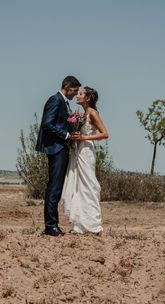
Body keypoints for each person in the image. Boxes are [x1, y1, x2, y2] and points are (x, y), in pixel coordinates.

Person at [36, 75, 81, 237]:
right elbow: (46, 124)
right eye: (75, 91)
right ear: (67, 87)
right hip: (56, 148)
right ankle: (50, 226)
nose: (76, 94)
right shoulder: (55, 100)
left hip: (61, 148)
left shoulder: (64, 103)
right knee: (54, 187)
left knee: (57, 187)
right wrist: (67, 135)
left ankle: (52, 224)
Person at [62, 86, 109, 235]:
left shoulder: (93, 113)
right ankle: (80, 225)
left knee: (88, 185)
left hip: (87, 151)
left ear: (88, 98)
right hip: (77, 151)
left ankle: (94, 225)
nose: (77, 95)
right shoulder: (82, 114)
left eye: (81, 94)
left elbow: (105, 134)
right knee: (78, 186)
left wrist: (84, 137)